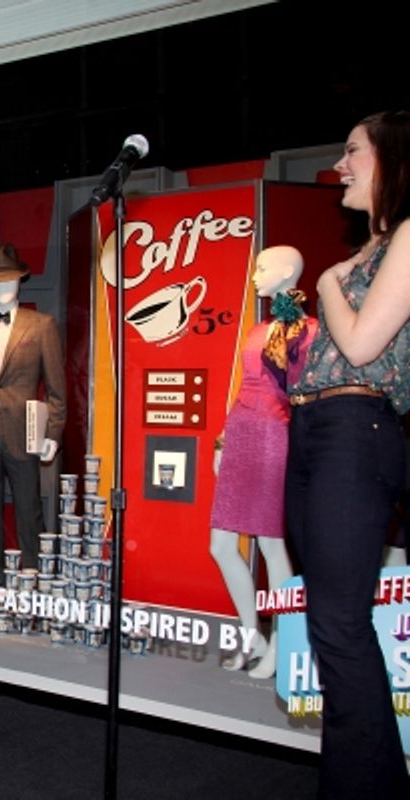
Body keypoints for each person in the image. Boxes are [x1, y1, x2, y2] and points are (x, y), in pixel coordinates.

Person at [284, 110, 410, 798]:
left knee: (338, 626)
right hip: (315, 429)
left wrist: (329, 281)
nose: (340, 164)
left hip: (356, 430)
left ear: (394, 156)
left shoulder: (408, 237)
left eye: (353, 150)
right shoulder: (371, 250)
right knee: (330, 624)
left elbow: (361, 346)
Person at [209, 245, 314, 680]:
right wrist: (222, 441)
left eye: (263, 268)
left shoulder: (309, 331)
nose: (255, 275)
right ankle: (253, 636)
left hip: (275, 436)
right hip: (242, 432)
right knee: (220, 545)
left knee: (272, 545)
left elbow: (306, 396)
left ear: (287, 272)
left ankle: (285, 646)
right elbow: (243, 387)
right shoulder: (257, 330)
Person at [0, 244, 65, 603]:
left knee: (29, 514)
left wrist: (53, 433)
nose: (3, 286)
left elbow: (56, 387)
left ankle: (35, 592)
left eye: (9, 279)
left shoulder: (42, 326)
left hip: (25, 434)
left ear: (20, 280)